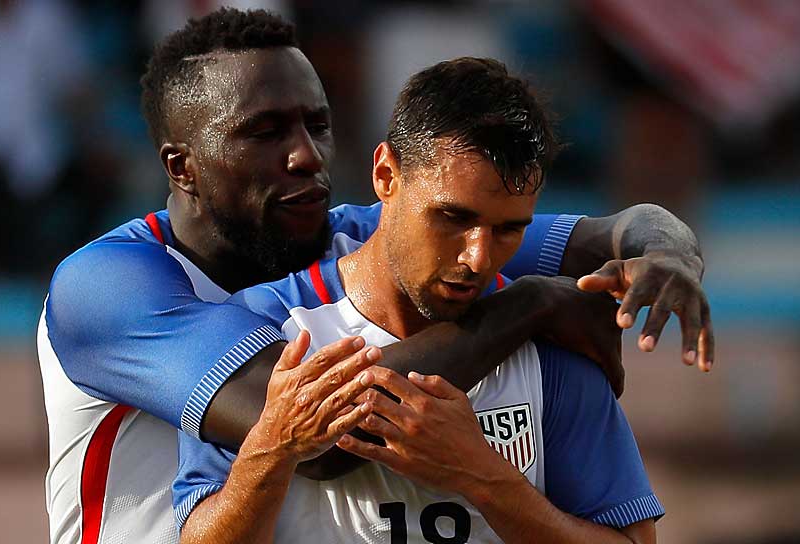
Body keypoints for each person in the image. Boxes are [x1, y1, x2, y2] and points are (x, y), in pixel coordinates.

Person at [39, 8, 710, 544]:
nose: (305, 155)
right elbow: (317, 435)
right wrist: (530, 305)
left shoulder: (390, 236)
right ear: (181, 165)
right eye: (265, 131)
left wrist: (672, 254)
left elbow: (617, 232)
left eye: (318, 124)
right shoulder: (104, 286)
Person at [174, 57, 662, 543]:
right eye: (452, 217)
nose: (477, 257)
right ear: (386, 175)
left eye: (509, 229)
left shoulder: (549, 346)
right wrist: (272, 447)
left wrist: (481, 476)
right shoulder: (262, 330)